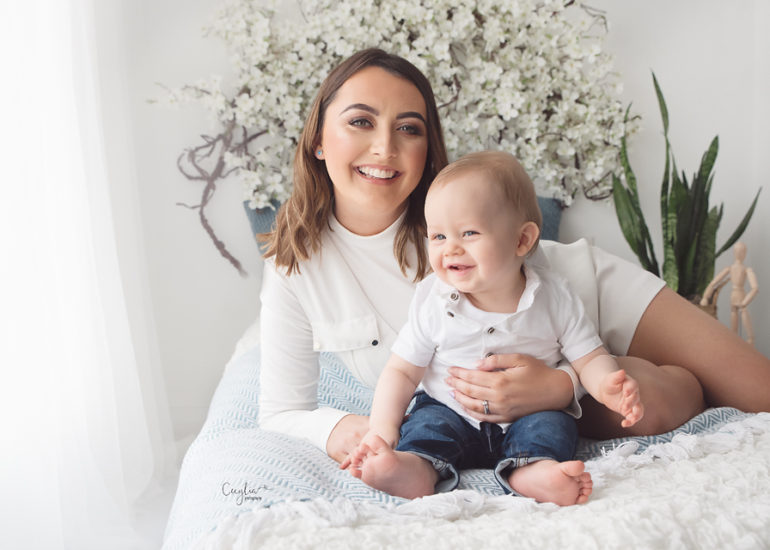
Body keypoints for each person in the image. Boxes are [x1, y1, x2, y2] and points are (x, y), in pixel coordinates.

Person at [257, 48, 770, 467]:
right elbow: (280, 411)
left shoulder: (450, 213)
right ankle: (672, 381)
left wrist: (559, 383)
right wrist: (349, 428)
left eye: (409, 129)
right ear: (318, 140)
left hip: (581, 310)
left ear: (426, 148)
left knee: (759, 389)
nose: (385, 147)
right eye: (361, 121)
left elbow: (543, 303)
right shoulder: (294, 266)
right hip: (525, 405)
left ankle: (678, 376)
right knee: (644, 407)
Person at [343, 151, 644, 504]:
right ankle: (414, 468)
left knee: (552, 426)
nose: (450, 248)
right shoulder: (432, 300)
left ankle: (532, 471)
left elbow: (589, 357)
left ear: (522, 240)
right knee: (426, 426)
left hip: (527, 413)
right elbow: (402, 372)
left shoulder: (555, 296)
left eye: (468, 233)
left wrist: (607, 384)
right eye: (438, 236)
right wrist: (382, 430)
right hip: (449, 410)